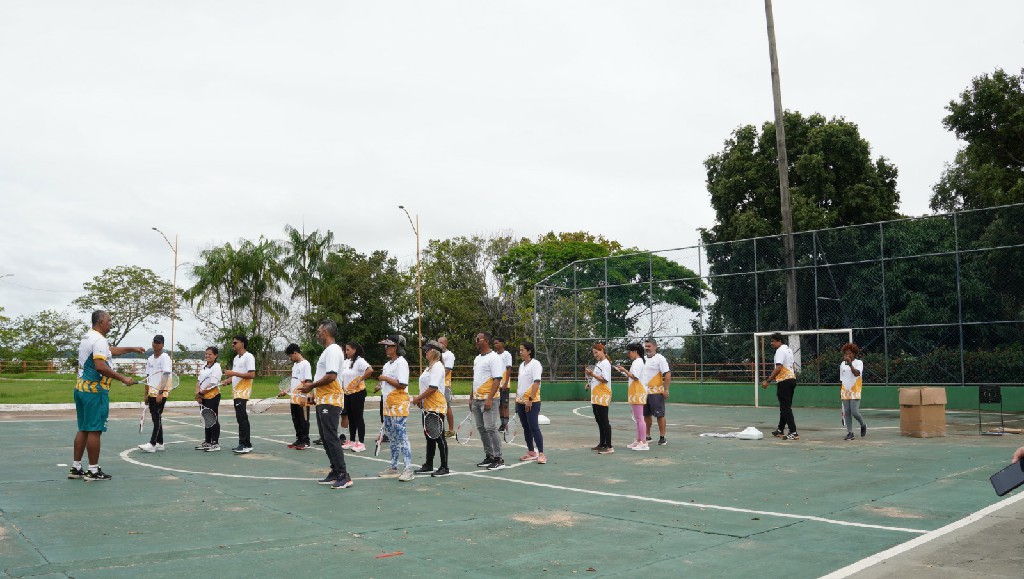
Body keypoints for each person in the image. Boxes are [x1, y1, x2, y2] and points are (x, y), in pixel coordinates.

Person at [68, 310, 144, 481]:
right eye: (109, 320)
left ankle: (76, 467)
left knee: (83, 428)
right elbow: (100, 367)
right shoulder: (99, 340)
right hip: (95, 392)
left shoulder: (88, 337)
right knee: (95, 430)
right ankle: (93, 471)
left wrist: (131, 348)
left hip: (81, 389)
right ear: (101, 322)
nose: (111, 323)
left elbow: (109, 351)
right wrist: (123, 378)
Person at [296, 320, 353, 490]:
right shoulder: (327, 351)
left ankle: (344, 474)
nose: (317, 333)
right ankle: (335, 471)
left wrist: (311, 386)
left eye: (319, 331)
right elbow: (324, 375)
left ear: (327, 332)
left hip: (332, 400)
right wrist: (315, 394)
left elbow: (331, 376)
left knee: (330, 436)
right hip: (323, 399)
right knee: (325, 436)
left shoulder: (333, 350)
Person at [377, 333, 415, 481]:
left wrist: (385, 378)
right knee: (392, 437)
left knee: (401, 436)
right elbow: (387, 381)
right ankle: (393, 467)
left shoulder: (401, 363)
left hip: (398, 404)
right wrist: (380, 383)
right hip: (388, 404)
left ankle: (408, 468)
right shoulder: (388, 364)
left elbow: (402, 384)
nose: (386, 348)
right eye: (386, 345)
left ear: (397, 347)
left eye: (389, 345)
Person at [412, 340, 450, 477]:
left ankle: (444, 466)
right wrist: (421, 399)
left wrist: (418, 398)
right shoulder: (430, 367)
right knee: (429, 436)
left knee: (439, 436)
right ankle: (428, 464)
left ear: (434, 352)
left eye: (427, 350)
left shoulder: (438, 366)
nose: (425, 352)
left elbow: (433, 388)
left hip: (436, 405)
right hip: (428, 406)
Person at [471, 331, 506, 470]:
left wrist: (490, 398)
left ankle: (499, 458)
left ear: (485, 341)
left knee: (491, 428)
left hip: (488, 399)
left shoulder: (494, 358)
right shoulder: (477, 358)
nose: (476, 341)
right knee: (481, 428)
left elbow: (497, 379)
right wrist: (470, 397)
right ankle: (489, 456)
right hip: (476, 399)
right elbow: (476, 379)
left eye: (478, 339)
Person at [221, 335, 256, 454]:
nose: (233, 345)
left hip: (244, 391)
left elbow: (251, 374)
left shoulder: (249, 357)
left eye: (235, 343)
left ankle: (246, 444)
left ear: (242, 344)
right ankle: (243, 443)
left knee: (242, 418)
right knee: (240, 418)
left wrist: (233, 373)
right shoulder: (236, 358)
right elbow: (235, 375)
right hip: (236, 392)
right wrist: (228, 380)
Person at [138, 334, 172, 453]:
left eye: (158, 343)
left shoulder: (165, 357)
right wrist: (146, 393)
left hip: (161, 392)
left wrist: (160, 393)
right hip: (151, 391)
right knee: (155, 417)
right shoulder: (150, 358)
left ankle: (152, 444)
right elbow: (148, 376)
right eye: (154, 342)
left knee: (156, 416)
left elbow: (166, 375)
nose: (155, 344)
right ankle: (160, 443)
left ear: (162, 344)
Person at [762, 332, 799, 440]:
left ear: (779, 341)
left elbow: (778, 368)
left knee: (785, 407)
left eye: (773, 341)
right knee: (785, 406)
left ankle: (793, 432)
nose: (771, 343)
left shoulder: (780, 351)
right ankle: (780, 429)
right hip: (791, 379)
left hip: (784, 381)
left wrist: (768, 380)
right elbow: (792, 366)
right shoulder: (788, 349)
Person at [515, 341, 545, 464]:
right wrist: (517, 400)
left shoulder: (536, 364)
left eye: (522, 350)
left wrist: (530, 400)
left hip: (532, 402)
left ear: (529, 351)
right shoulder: (522, 365)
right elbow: (520, 384)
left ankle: (541, 454)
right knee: (526, 427)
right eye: (520, 350)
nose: (520, 352)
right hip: (520, 402)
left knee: (533, 427)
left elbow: (536, 383)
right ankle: (531, 452)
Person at [615, 343, 649, 451]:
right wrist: (624, 371)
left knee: (639, 418)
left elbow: (635, 377)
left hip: (638, 391)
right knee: (638, 418)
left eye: (629, 352)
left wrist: (624, 370)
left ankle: (643, 442)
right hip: (635, 391)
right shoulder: (636, 362)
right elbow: (633, 375)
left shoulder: (638, 362)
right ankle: (639, 440)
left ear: (635, 351)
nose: (628, 354)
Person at [340, 341, 373, 453]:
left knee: (358, 416)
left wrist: (360, 379)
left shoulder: (360, 361)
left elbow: (370, 370)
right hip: (348, 393)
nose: (346, 352)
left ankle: (361, 442)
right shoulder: (347, 361)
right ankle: (352, 440)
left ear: (354, 350)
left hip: (358, 392)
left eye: (348, 349)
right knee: (351, 416)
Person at [584, 343, 614, 454]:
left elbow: (605, 379)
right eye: (594, 353)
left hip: (603, 395)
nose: (595, 355)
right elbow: (597, 379)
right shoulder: (599, 363)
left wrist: (593, 374)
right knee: (599, 420)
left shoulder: (605, 364)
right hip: (596, 395)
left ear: (602, 351)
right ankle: (602, 444)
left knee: (604, 421)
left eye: (596, 352)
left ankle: (609, 446)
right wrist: (590, 383)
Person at [642, 338, 671, 446]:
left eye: (649, 346)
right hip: (645, 392)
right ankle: (647, 435)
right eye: (646, 346)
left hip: (657, 392)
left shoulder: (660, 359)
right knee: (646, 415)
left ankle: (662, 437)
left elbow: (667, 374)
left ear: (655, 346)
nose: (647, 348)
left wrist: (666, 389)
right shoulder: (643, 359)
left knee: (659, 415)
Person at [284, 343, 313, 449]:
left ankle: (306, 441)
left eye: (291, 356)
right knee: (295, 419)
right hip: (294, 398)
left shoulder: (306, 364)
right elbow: (294, 381)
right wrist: (286, 391)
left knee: (303, 419)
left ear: (296, 353)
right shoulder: (295, 365)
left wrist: (303, 396)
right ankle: (299, 439)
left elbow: (308, 381)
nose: (290, 358)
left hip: (303, 397)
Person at [194, 346, 222, 452]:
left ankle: (215, 443)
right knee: (206, 419)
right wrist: (197, 393)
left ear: (215, 355)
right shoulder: (203, 367)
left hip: (213, 396)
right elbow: (198, 381)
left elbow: (213, 383)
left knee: (213, 419)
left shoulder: (217, 367)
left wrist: (201, 393)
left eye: (210, 354)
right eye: (206, 354)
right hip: (203, 397)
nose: (207, 356)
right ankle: (207, 442)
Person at [840, 342, 867, 440]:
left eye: (850, 353)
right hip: (845, 390)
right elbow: (842, 378)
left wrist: (850, 364)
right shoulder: (842, 364)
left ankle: (863, 424)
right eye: (846, 354)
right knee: (847, 412)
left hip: (855, 389)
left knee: (854, 412)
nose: (848, 355)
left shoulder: (859, 363)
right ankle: (850, 432)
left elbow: (856, 374)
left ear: (854, 354)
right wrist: (843, 390)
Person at [494, 337, 513, 432]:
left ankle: (506, 425)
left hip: (504, 384)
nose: (495, 345)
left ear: (502, 344)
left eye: (497, 343)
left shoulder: (507, 355)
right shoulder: (494, 355)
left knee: (505, 405)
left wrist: (506, 382)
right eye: (494, 343)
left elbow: (509, 368)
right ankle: (502, 424)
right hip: (496, 385)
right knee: (499, 405)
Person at [439, 336, 456, 438]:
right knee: (438, 407)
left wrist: (438, 379)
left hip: (445, 385)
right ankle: (440, 429)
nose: (440, 344)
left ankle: (451, 430)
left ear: (446, 343)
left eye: (442, 342)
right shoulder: (437, 354)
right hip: (437, 385)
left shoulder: (449, 355)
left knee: (447, 407)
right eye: (438, 342)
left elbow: (447, 370)